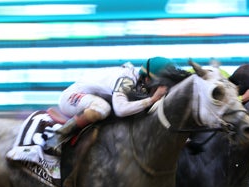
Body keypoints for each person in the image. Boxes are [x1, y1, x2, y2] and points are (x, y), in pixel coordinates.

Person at [48, 57, 184, 147]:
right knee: (102, 108)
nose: (161, 89)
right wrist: (153, 99)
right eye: (160, 84)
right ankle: (58, 138)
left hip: (90, 100)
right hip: (72, 97)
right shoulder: (127, 79)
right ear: (148, 79)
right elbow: (120, 109)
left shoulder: (140, 85)